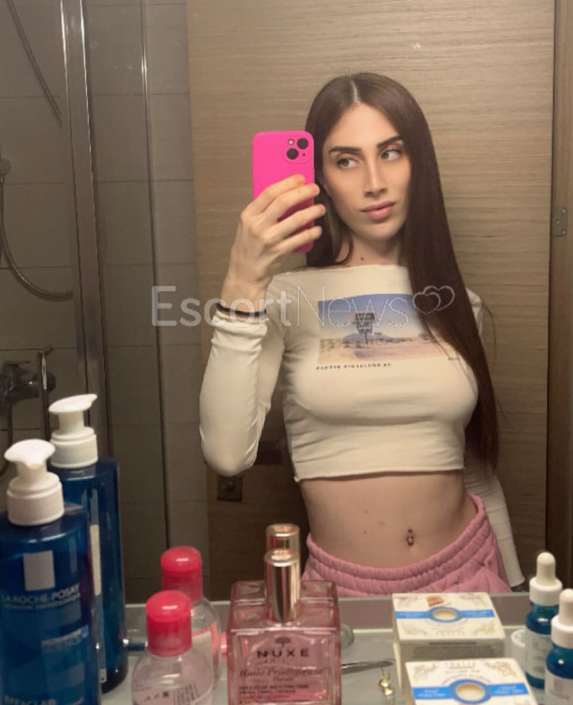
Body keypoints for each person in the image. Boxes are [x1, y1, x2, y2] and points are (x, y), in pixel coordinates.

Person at [199, 72, 524, 595]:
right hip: (345, 591)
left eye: (391, 153)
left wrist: (515, 589)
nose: (374, 182)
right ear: (321, 179)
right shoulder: (282, 299)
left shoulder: (459, 305)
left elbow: (475, 469)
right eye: (346, 160)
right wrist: (241, 282)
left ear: (418, 163)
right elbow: (227, 454)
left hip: (469, 574)